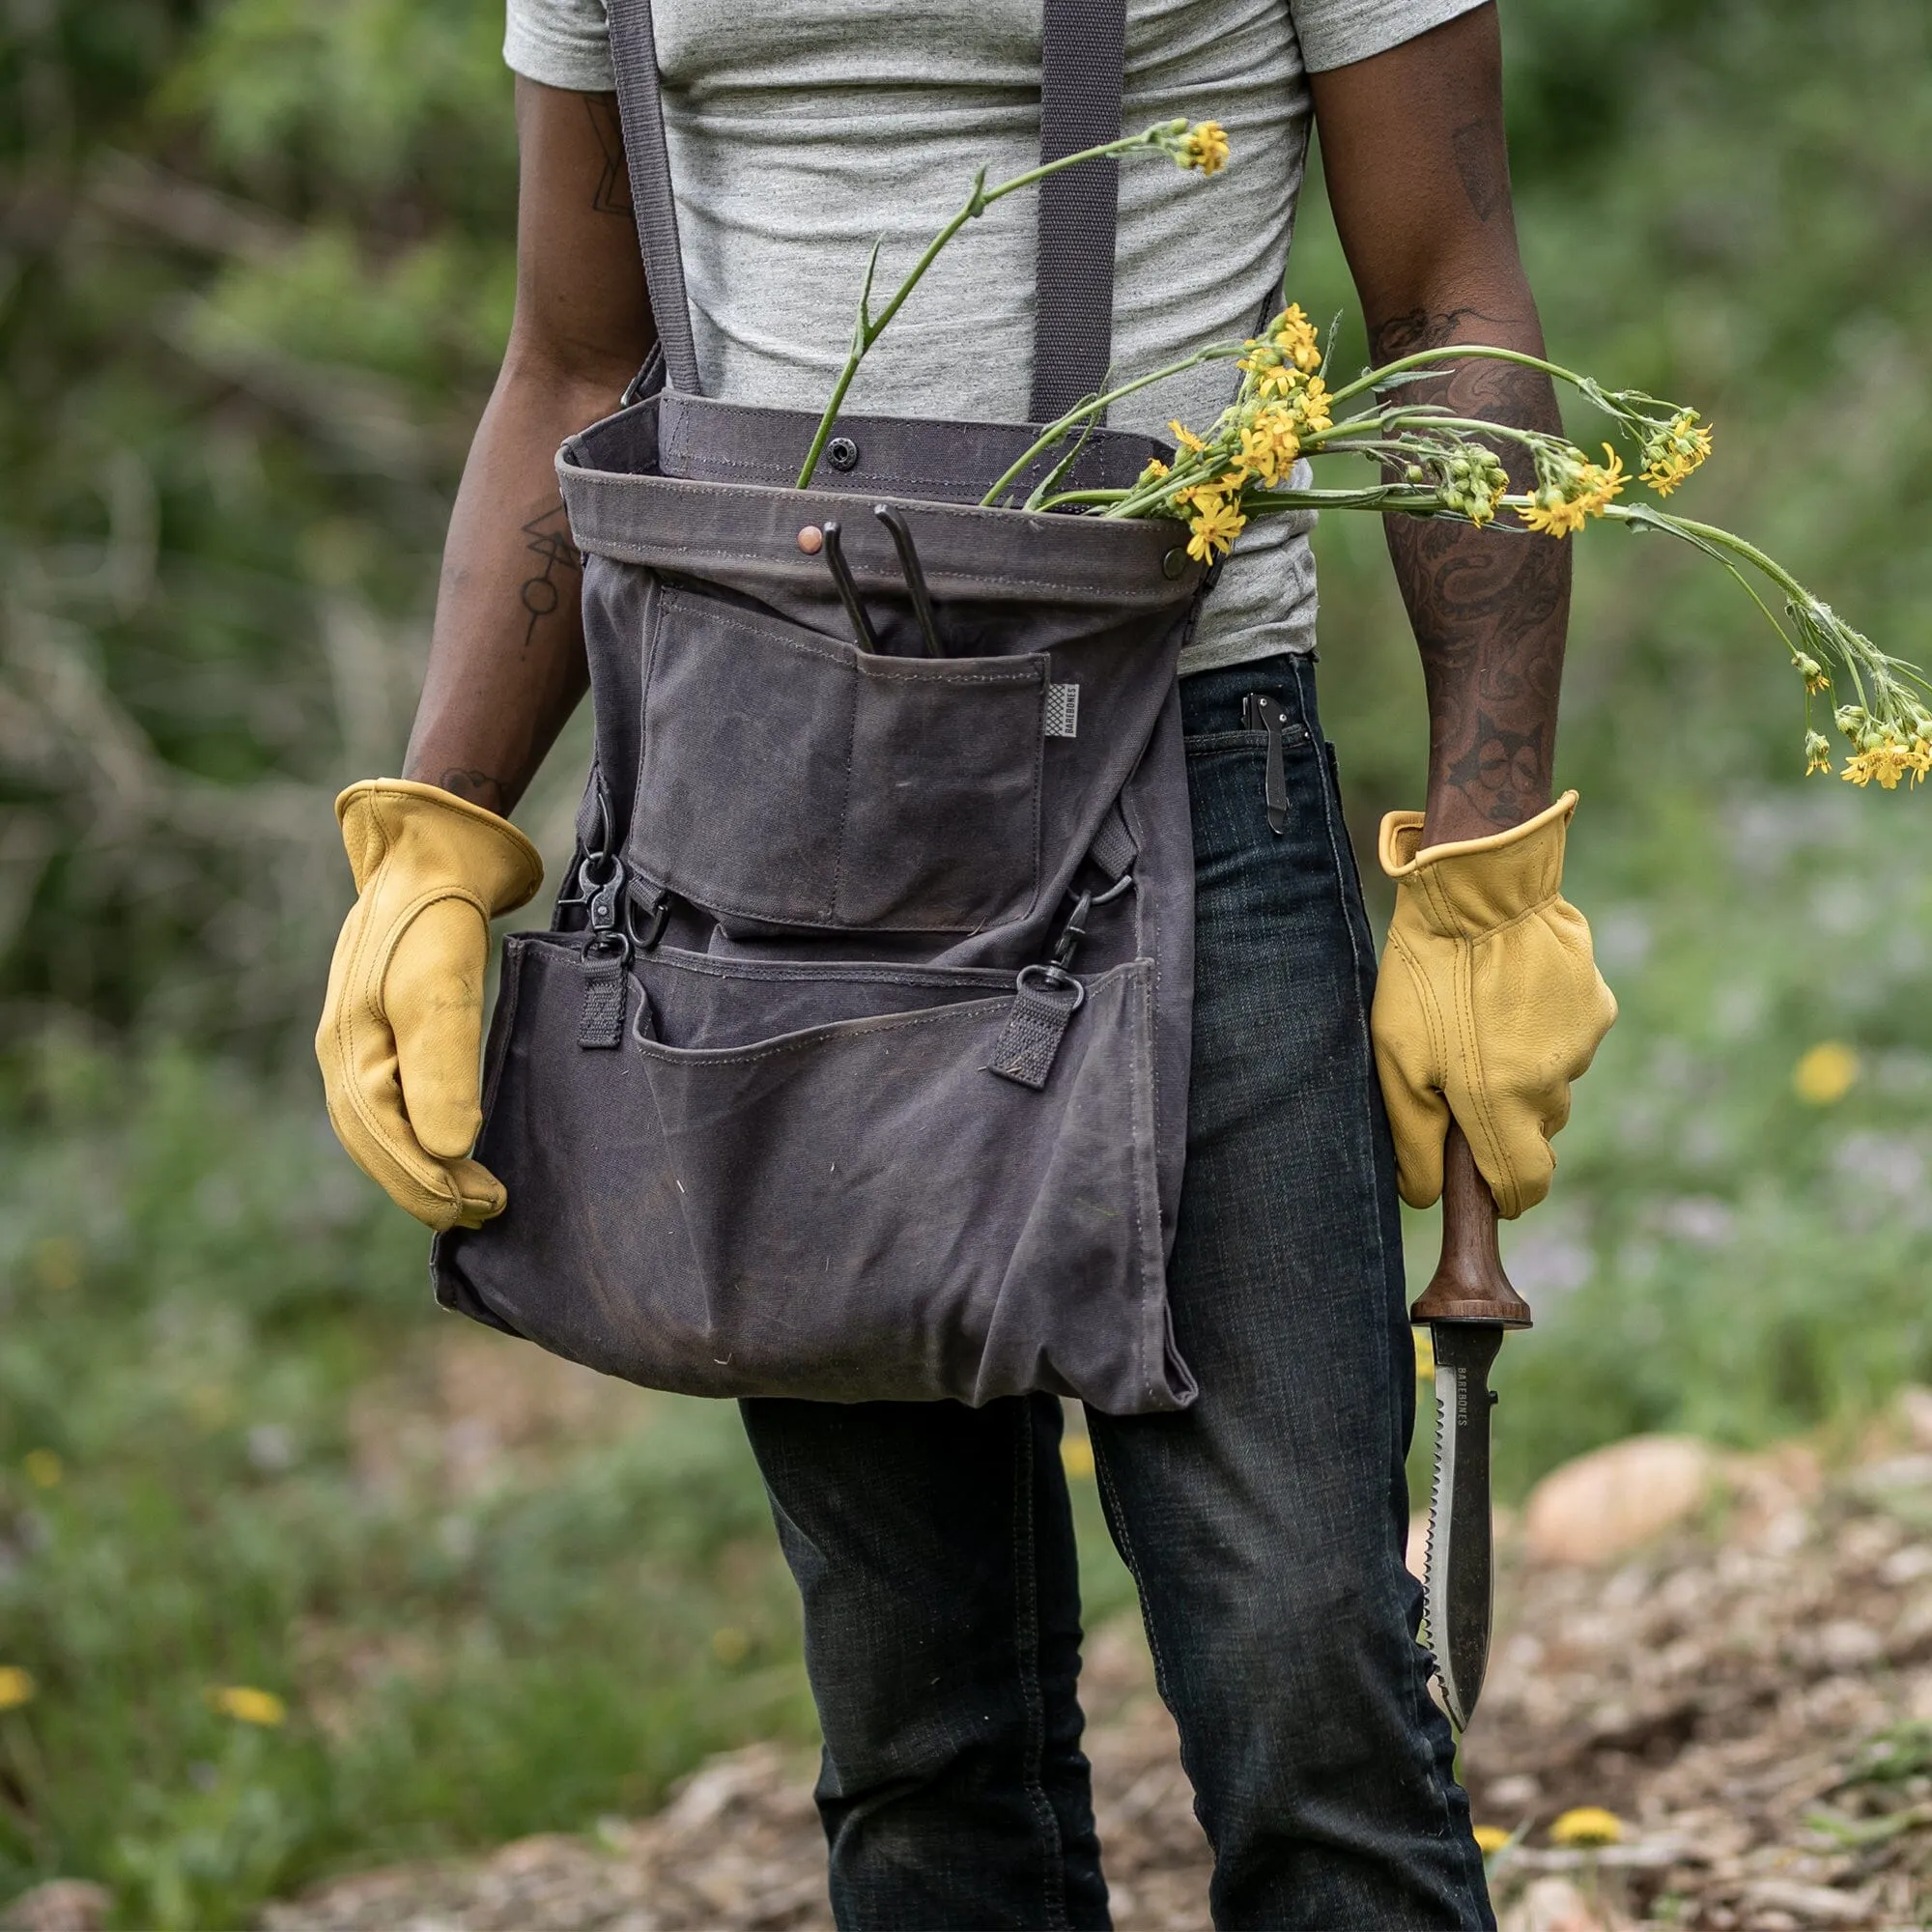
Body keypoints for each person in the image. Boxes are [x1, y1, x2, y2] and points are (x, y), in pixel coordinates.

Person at [316, 0, 1616, 1923]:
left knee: (1306, 1674)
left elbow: (1445, 299)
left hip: (1184, 772)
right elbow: (579, 353)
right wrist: (434, 835)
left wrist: (1483, 863)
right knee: (923, 1735)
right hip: (770, 811)